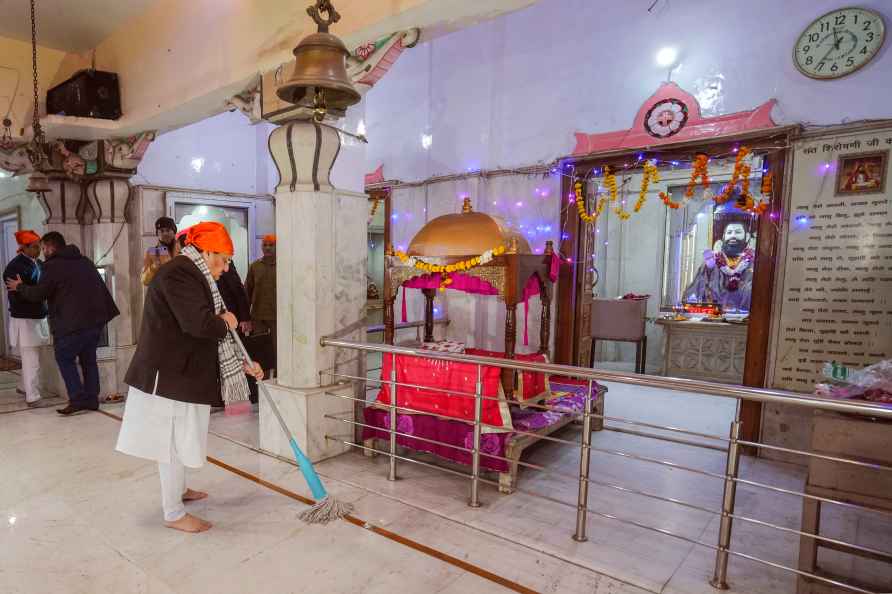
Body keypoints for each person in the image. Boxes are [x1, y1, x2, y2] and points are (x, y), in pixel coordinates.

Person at [115, 222, 263, 533]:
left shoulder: (196, 274)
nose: (225, 268)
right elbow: (199, 324)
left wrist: (242, 356)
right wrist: (227, 321)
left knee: (182, 438)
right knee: (169, 443)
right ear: (206, 252)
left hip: (183, 373)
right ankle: (173, 513)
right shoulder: (180, 274)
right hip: (167, 376)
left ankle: (179, 490)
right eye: (222, 260)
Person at [5, 231, 120, 415]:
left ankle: (77, 398)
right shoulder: (85, 261)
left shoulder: (53, 266)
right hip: (95, 322)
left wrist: (19, 287)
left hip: (72, 324)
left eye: (43, 248)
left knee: (64, 357)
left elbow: (39, 294)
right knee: (88, 360)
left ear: (51, 247)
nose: (42, 252)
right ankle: (91, 399)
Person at [2, 230, 49, 407]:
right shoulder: (14, 268)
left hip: (39, 316)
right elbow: (20, 296)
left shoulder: (38, 263)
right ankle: (32, 396)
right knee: (31, 358)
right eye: (36, 247)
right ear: (24, 248)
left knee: (33, 356)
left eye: (40, 246)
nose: (39, 250)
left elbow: (42, 288)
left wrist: (30, 289)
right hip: (25, 318)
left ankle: (23, 386)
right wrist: (35, 291)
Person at [683, 221, 754, 312]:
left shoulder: (753, 263)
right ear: (724, 237)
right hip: (714, 319)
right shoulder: (711, 262)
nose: (733, 236)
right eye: (729, 233)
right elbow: (694, 294)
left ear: (747, 237)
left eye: (738, 232)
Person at [245, 234, 277, 375]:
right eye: (265, 245)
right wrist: (246, 317)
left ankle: (278, 377)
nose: (268, 248)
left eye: (271, 245)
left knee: (278, 350)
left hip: (278, 317)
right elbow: (247, 292)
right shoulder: (255, 267)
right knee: (260, 349)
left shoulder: (285, 266)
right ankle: (260, 377)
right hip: (258, 316)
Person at [141, 216, 179, 286]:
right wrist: (154, 267)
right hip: (163, 294)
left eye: (168, 230)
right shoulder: (152, 251)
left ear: (174, 231)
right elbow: (144, 281)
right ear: (157, 234)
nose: (165, 233)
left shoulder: (183, 249)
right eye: (161, 231)